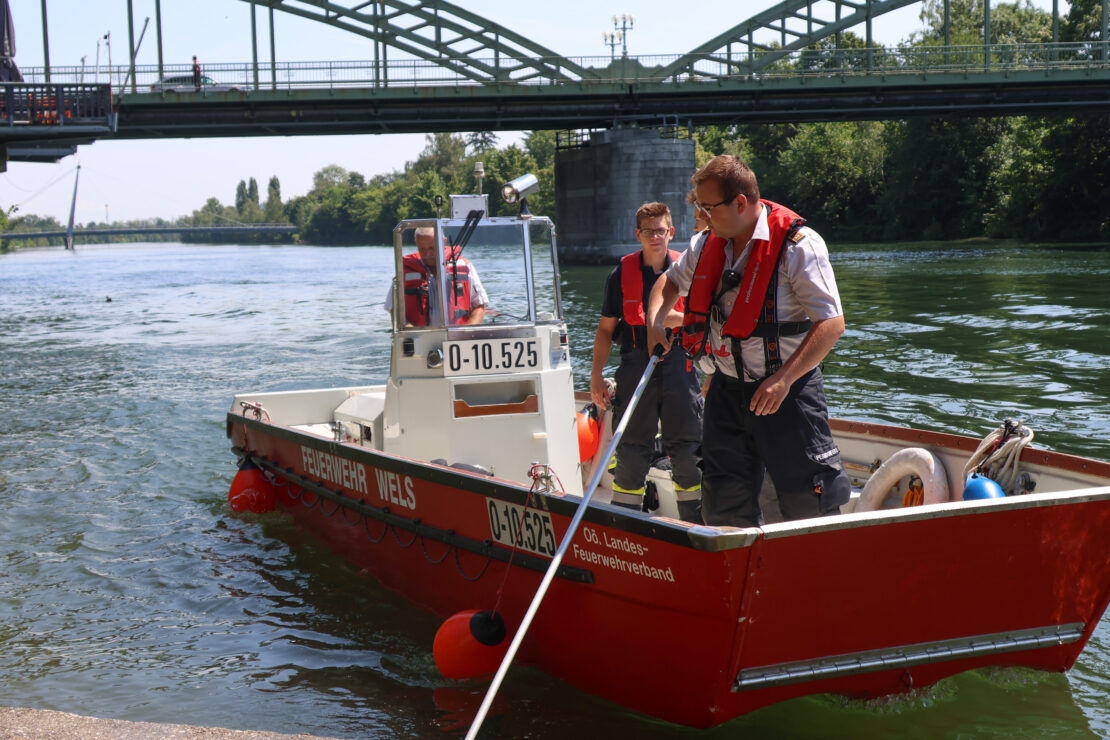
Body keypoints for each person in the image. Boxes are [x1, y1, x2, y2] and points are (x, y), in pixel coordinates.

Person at [646, 155, 850, 527]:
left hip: (787, 394)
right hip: (727, 392)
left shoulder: (798, 245)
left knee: (806, 505)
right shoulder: (707, 243)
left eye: (709, 208)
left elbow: (831, 323)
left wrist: (783, 381)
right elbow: (670, 282)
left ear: (740, 203)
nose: (703, 217)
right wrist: (656, 320)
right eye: (700, 208)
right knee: (723, 506)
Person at [590, 202, 702, 522]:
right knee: (631, 450)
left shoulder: (688, 269)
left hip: (681, 363)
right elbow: (605, 330)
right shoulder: (619, 274)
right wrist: (596, 376)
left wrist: (670, 319)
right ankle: (624, 525)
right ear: (638, 234)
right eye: (649, 232)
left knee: (687, 448)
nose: (656, 237)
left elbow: (702, 321)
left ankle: (693, 524)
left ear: (672, 232)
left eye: (662, 231)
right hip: (635, 362)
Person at [384, 226, 487, 326]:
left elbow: (479, 305)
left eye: (432, 248)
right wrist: (408, 330)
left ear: (444, 242)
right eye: (422, 248)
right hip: (419, 338)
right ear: (416, 243)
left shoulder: (464, 266)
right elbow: (394, 308)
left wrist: (467, 331)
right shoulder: (404, 271)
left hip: (457, 338)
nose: (428, 253)